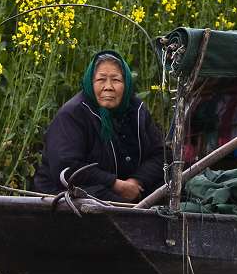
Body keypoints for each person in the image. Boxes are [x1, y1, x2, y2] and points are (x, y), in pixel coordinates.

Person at [34, 50, 165, 202]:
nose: (108, 87)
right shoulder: (73, 114)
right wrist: (115, 184)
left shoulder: (137, 110)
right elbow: (67, 168)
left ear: (127, 83)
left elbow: (161, 155)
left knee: (168, 188)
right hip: (67, 194)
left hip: (127, 188)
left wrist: (136, 181)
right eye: (101, 80)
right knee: (98, 198)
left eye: (116, 80)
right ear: (91, 82)